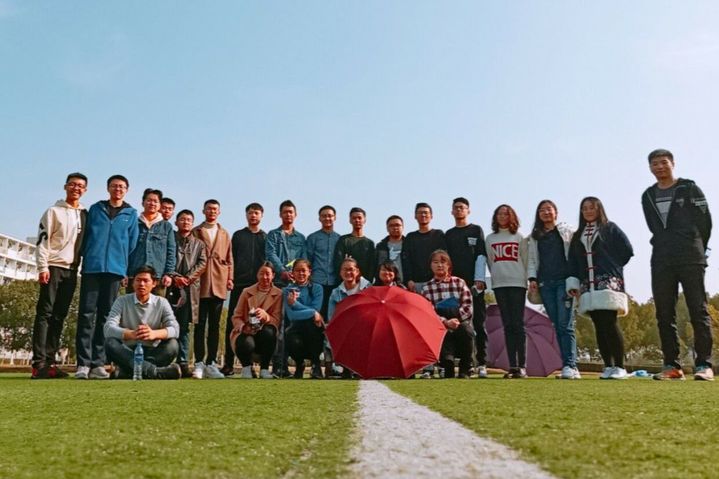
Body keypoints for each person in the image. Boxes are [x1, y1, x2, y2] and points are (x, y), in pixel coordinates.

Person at [642, 149, 714, 381]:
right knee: (664, 313)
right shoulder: (647, 195)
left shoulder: (689, 188)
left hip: (691, 256)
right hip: (662, 258)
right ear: (650, 168)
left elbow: (705, 221)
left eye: (663, 162)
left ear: (673, 163)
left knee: (698, 309)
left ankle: (704, 364)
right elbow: (653, 226)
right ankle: (672, 366)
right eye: (654, 164)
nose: (659, 167)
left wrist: (698, 246)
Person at [75, 174, 139, 380]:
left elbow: (132, 243)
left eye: (121, 187)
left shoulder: (131, 214)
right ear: (108, 188)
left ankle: (99, 362)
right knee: (86, 315)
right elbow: (85, 235)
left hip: (115, 270)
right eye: (114, 186)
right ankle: (83, 363)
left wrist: (124, 267)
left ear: (126, 190)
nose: (117, 189)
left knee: (106, 317)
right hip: (92, 268)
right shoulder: (96, 209)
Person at [567, 197, 633, 380]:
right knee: (598, 325)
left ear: (599, 209)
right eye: (585, 208)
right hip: (588, 284)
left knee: (609, 322)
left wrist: (612, 266)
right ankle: (608, 366)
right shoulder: (578, 234)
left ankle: (620, 366)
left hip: (608, 282)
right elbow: (573, 260)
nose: (588, 211)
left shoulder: (610, 228)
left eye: (592, 208)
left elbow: (627, 250)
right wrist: (573, 283)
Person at [31, 172, 88, 379]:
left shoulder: (84, 214)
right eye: (72, 184)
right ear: (65, 187)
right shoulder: (53, 211)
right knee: (45, 313)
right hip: (53, 266)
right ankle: (38, 363)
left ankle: (50, 362)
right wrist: (42, 267)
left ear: (85, 190)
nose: (76, 188)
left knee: (59, 316)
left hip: (72, 270)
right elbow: (42, 240)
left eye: (80, 186)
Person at [527, 200, 580, 379]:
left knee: (566, 324)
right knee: (557, 324)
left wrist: (576, 278)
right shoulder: (535, 237)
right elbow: (532, 259)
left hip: (564, 282)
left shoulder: (566, 231)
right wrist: (532, 278)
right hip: (545, 284)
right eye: (542, 210)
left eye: (549, 209)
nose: (546, 213)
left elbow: (575, 253)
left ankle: (570, 365)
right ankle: (567, 365)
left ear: (556, 212)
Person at [104, 265, 181, 380]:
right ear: (133, 283)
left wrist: (153, 334)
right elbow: (108, 328)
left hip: (153, 351)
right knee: (110, 342)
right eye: (138, 280)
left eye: (146, 281)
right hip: (128, 351)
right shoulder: (122, 301)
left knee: (173, 345)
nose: (141, 284)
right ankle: (156, 372)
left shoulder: (162, 302)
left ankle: (127, 372)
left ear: (154, 283)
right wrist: (131, 334)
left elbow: (175, 329)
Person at [445, 197, 489, 378]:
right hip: (455, 288)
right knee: (459, 326)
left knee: (479, 324)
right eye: (456, 208)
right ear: (451, 211)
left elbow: (481, 255)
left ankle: (482, 363)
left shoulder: (476, 230)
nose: (459, 210)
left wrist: (479, 279)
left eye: (462, 207)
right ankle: (465, 363)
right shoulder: (448, 234)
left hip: (474, 286)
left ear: (468, 210)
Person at [222, 202, 267, 376]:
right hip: (239, 286)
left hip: (258, 287)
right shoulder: (238, 235)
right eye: (250, 213)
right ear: (246, 215)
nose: (253, 216)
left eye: (256, 213)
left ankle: (257, 364)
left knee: (257, 324)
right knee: (233, 323)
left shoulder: (265, 237)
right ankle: (228, 363)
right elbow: (230, 259)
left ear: (261, 215)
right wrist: (230, 278)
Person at [485, 204, 528, 379]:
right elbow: (490, 261)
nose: (502, 216)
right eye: (499, 214)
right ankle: (512, 366)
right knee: (507, 325)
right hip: (499, 284)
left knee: (518, 324)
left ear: (512, 217)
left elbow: (525, 260)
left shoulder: (519, 237)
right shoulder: (490, 238)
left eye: (506, 214)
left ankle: (522, 366)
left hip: (517, 283)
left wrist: (528, 280)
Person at [192, 199, 233, 379]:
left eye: (215, 209)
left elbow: (230, 258)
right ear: (203, 211)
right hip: (200, 283)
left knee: (215, 326)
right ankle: (199, 362)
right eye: (209, 209)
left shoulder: (224, 233)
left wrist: (230, 278)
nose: (212, 211)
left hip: (219, 281)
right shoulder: (196, 231)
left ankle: (211, 362)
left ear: (219, 212)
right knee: (200, 324)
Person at [265, 199, 306, 377]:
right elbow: (270, 254)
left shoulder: (301, 238)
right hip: (279, 284)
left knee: (292, 325)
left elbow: (303, 259)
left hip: (295, 286)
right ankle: (278, 365)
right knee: (278, 324)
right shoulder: (273, 235)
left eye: (291, 212)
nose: (288, 215)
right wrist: (282, 271)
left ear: (295, 215)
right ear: (280, 215)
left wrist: (296, 274)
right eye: (285, 212)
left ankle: (293, 365)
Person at [421, 250, 474, 379]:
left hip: (459, 322)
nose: (439, 265)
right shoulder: (426, 288)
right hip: (439, 326)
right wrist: (445, 322)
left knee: (467, 331)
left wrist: (456, 320)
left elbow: (468, 307)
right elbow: (428, 312)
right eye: (435, 262)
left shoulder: (459, 282)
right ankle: (446, 366)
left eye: (443, 262)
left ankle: (465, 368)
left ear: (449, 265)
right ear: (430, 265)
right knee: (446, 360)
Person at [230, 261, 283, 379]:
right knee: (246, 342)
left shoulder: (279, 294)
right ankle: (246, 368)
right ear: (257, 275)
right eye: (261, 273)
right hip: (247, 332)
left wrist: (266, 316)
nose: (264, 277)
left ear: (273, 275)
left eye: (268, 274)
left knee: (269, 332)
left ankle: (264, 369)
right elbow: (236, 316)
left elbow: (277, 320)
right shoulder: (246, 292)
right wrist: (243, 326)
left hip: (265, 334)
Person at [170, 209, 207, 378]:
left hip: (189, 288)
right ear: (176, 222)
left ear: (193, 224)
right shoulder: (170, 239)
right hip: (171, 285)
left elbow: (202, 263)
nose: (185, 222)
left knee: (184, 326)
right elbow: (166, 258)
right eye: (182, 219)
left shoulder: (199, 244)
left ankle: (183, 361)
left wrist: (188, 278)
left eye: (189, 220)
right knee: (167, 323)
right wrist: (175, 277)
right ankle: (166, 360)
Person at [327, 258, 372, 378]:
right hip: (344, 328)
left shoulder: (368, 289)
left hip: (364, 326)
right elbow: (332, 317)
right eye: (345, 270)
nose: (348, 273)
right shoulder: (336, 293)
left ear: (357, 271)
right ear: (340, 273)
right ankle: (343, 367)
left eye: (351, 269)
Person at [127, 188, 176, 296]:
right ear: (143, 202)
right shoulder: (134, 223)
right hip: (135, 275)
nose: (152, 203)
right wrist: (125, 273)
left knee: (157, 305)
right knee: (132, 305)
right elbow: (125, 248)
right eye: (149, 200)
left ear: (160, 205)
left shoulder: (166, 226)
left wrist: (168, 274)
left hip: (158, 276)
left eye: (155, 201)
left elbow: (171, 252)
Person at [283, 259, 325, 379]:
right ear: (293, 273)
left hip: (313, 329)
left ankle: (316, 365)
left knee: (313, 328)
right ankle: (299, 365)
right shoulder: (287, 290)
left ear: (309, 272)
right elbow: (292, 315)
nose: (301, 273)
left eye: (303, 271)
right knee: (290, 336)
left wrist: (295, 304)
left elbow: (316, 308)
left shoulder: (317, 288)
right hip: (295, 328)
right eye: (297, 271)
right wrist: (312, 312)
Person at [305, 205, 340, 323]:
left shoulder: (339, 239)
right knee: (316, 316)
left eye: (330, 216)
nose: (327, 218)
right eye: (324, 216)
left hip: (334, 283)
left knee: (333, 316)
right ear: (319, 218)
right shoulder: (312, 238)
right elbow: (308, 260)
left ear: (335, 217)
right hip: (317, 282)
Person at [403, 203, 447, 292]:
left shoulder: (438, 235)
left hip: (436, 280)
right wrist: (408, 279)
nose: (423, 215)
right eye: (420, 213)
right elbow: (406, 260)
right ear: (415, 216)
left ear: (431, 216)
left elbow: (444, 258)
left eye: (426, 213)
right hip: (416, 283)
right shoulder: (410, 237)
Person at [334, 207, 376, 282]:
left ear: (364, 220)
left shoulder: (370, 243)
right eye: (354, 218)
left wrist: (367, 282)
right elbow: (338, 263)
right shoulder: (343, 240)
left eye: (359, 218)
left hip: (364, 283)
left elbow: (372, 266)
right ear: (350, 220)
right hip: (346, 282)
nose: (357, 220)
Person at [375, 215, 405, 284]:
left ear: (402, 227)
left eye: (397, 225)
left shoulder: (409, 244)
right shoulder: (381, 246)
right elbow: (377, 266)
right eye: (391, 226)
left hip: (407, 283)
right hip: (386, 284)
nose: (395, 228)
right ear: (387, 228)